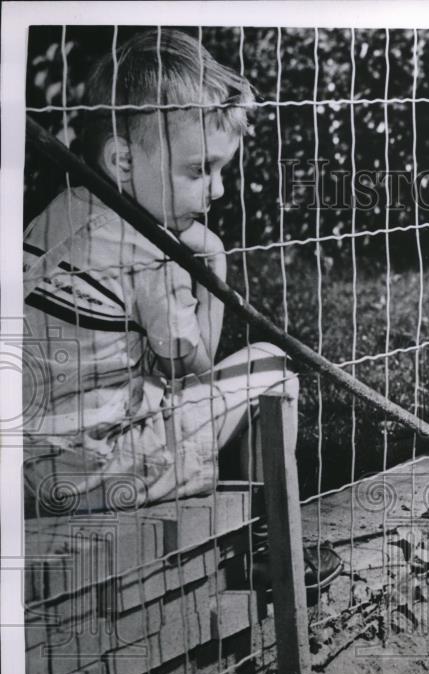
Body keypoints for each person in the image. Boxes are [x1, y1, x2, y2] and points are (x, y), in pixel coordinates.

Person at [22, 29, 340, 589]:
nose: (215, 190)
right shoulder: (152, 249)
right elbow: (187, 365)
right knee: (270, 368)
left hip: (24, 466)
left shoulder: (59, 211)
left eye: (219, 171)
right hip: (97, 469)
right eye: (199, 171)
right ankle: (269, 547)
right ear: (122, 159)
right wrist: (212, 265)